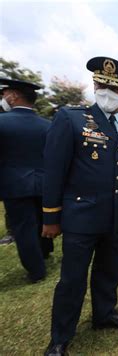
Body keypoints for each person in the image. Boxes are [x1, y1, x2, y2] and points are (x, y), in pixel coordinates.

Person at [42, 57, 118, 356]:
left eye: (115, 89)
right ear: (94, 84)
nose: (107, 92)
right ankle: (61, 337)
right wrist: (51, 215)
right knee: (72, 280)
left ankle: (104, 314)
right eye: (102, 84)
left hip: (115, 218)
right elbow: (54, 170)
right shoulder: (71, 119)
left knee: (109, 271)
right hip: (81, 217)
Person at [0, 78, 53, 281]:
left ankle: (36, 270)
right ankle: (45, 251)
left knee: (24, 228)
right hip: (44, 182)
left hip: (15, 184)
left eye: (5, 94)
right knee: (43, 219)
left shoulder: (2, 122)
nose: (3, 98)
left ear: (14, 96)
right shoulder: (47, 125)